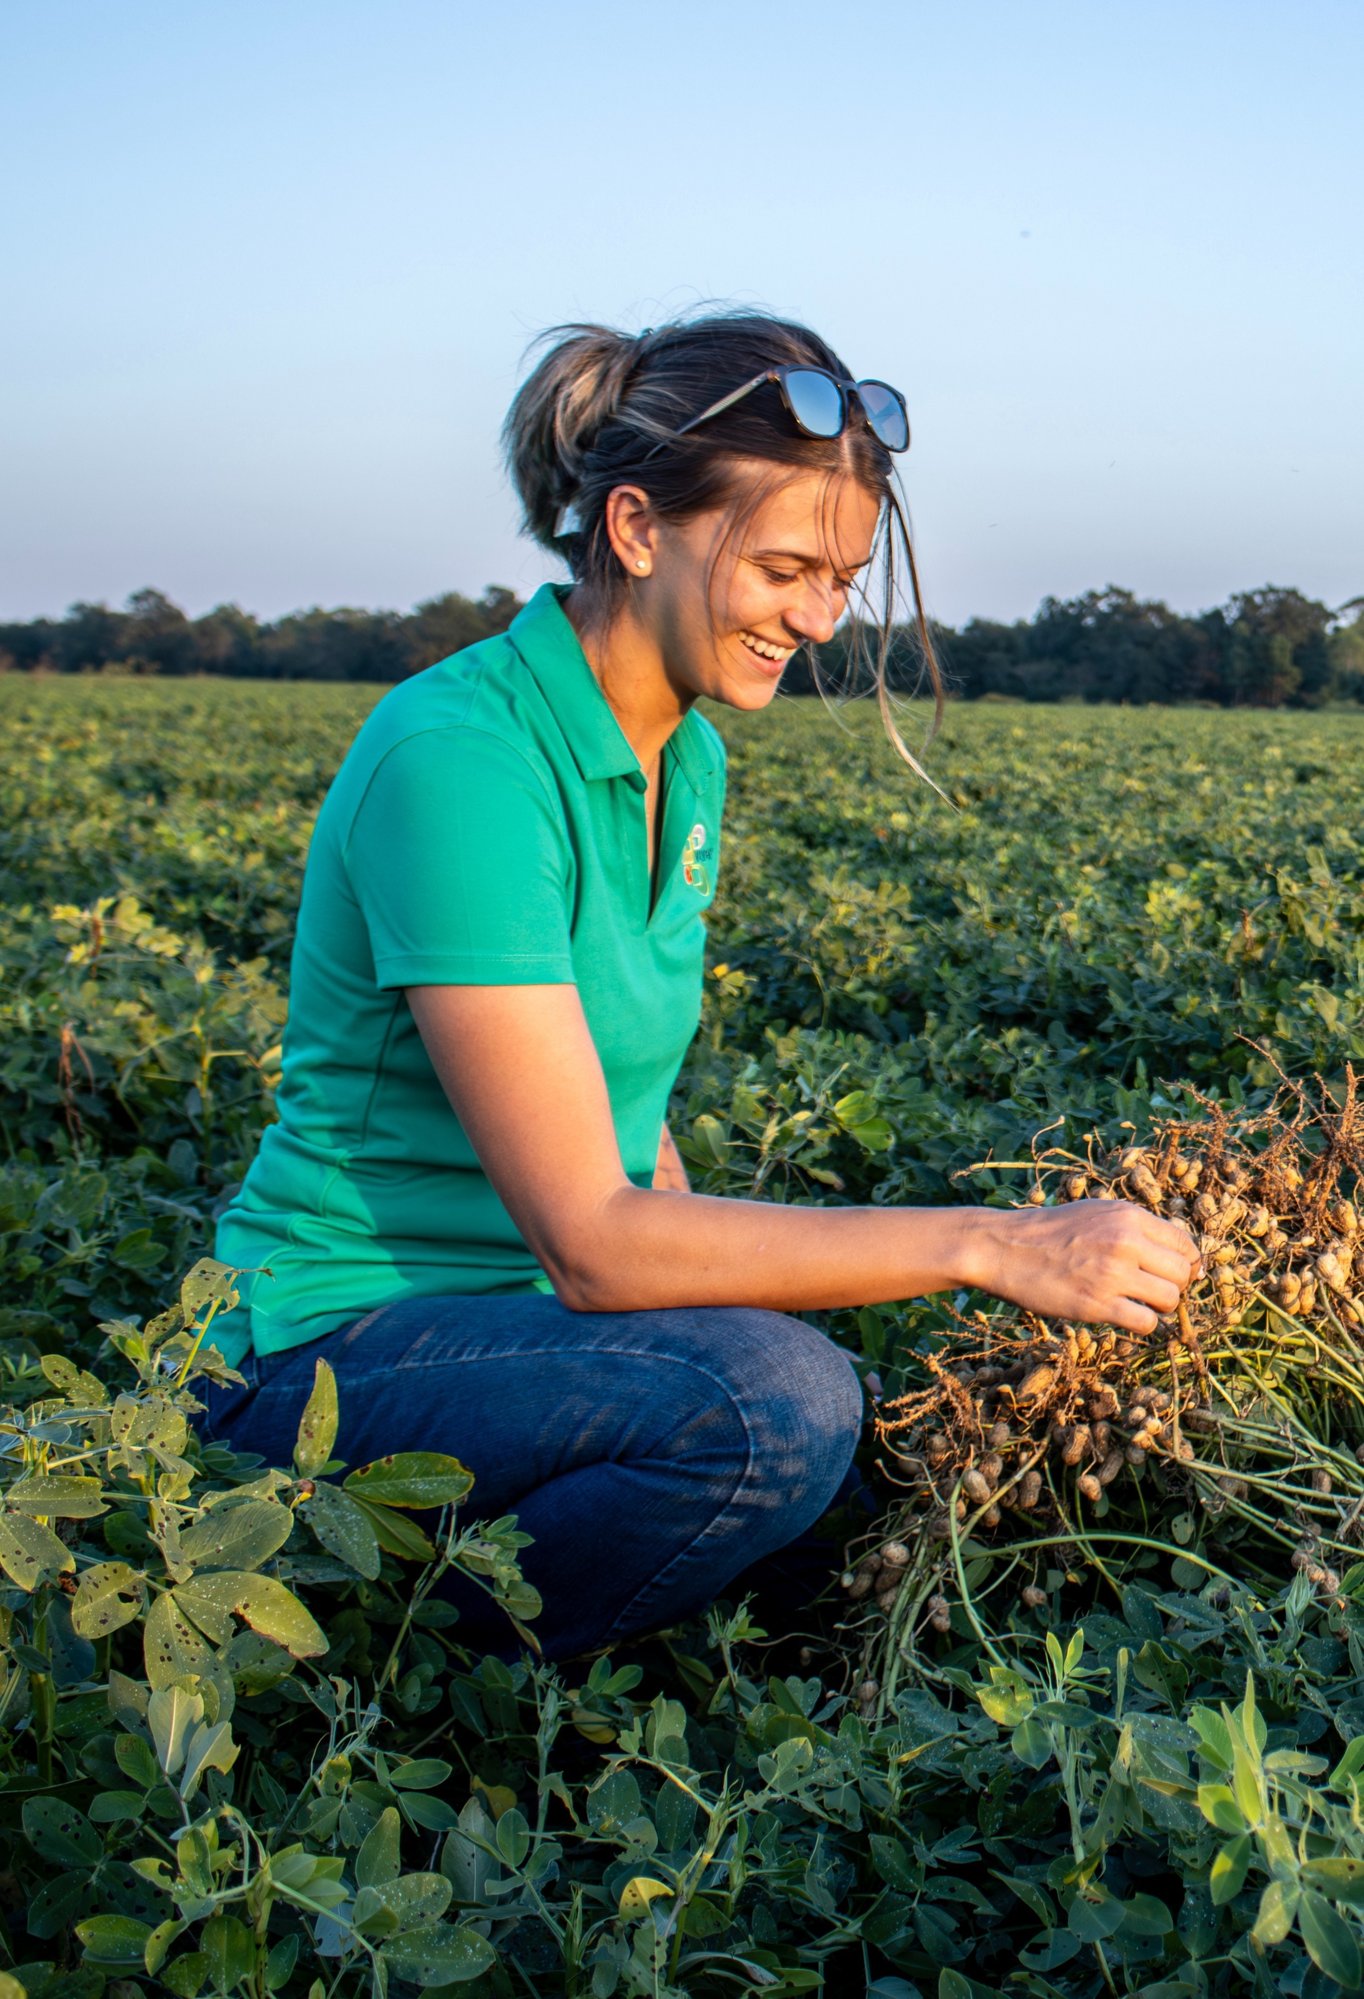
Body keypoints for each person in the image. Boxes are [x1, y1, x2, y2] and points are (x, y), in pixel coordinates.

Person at [196, 309, 1199, 1659]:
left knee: (844, 1428)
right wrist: (993, 1244)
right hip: (322, 1361)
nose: (819, 617)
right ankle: (416, 1674)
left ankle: (685, 1630)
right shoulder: (463, 762)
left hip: (521, 1329)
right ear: (633, 528)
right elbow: (597, 1243)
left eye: (839, 578)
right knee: (769, 1405)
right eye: (785, 566)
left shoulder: (688, 756)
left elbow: (628, 1116)